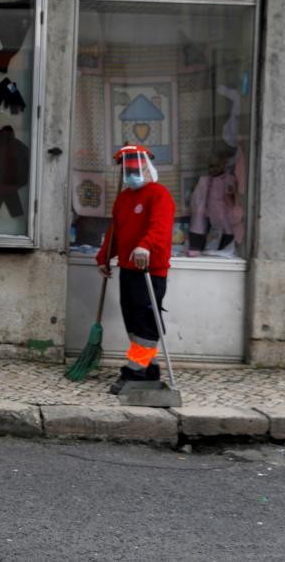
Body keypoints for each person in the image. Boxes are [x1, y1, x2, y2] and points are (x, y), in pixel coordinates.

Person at [95, 144, 175, 395]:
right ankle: (149, 368)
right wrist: (104, 257)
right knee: (132, 317)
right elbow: (115, 232)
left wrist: (145, 246)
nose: (131, 174)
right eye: (127, 170)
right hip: (128, 268)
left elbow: (160, 227)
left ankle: (136, 370)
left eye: (136, 169)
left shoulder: (159, 194)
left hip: (151, 269)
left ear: (148, 169)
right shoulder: (123, 198)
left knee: (145, 319)